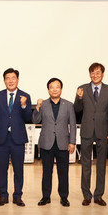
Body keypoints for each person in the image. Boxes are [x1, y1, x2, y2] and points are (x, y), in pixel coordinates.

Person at [73, 62, 108, 207]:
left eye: (98, 72)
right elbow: (76, 109)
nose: (95, 75)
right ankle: (87, 195)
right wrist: (78, 98)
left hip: (103, 131)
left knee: (101, 165)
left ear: (102, 74)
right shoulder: (82, 88)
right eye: (92, 72)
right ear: (89, 74)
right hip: (87, 130)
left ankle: (98, 195)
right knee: (86, 164)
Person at [32, 78, 76, 207]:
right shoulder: (43, 104)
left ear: (61, 89)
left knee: (63, 173)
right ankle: (46, 196)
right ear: (48, 90)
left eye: (57, 87)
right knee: (46, 172)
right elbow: (35, 120)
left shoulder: (68, 105)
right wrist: (37, 107)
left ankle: (64, 197)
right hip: (47, 143)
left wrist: (72, 142)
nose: (54, 89)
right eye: (52, 87)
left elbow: (73, 124)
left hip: (63, 143)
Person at [0, 68, 32, 207]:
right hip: (2, 138)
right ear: (4, 81)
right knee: (2, 170)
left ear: (17, 80)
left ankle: (17, 196)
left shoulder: (25, 96)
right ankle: (3, 196)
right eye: (7, 78)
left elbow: (28, 117)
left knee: (18, 170)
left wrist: (24, 105)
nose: (10, 80)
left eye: (13, 78)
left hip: (18, 139)